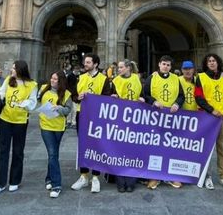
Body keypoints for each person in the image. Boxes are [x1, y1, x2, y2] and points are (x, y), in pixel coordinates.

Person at [0, 60, 37, 195]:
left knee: (18, 151)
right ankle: (0, 183)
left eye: (14, 68)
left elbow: (33, 102)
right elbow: (2, 94)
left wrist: (25, 103)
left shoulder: (32, 85)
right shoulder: (8, 81)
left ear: (21, 70)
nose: (12, 70)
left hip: (21, 121)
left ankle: (15, 181)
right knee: (3, 150)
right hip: (5, 119)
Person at [195, 53, 223, 190]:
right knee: (207, 149)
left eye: (214, 61)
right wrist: (211, 110)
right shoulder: (200, 77)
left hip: (222, 117)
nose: (212, 63)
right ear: (206, 64)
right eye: (209, 61)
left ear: (218, 62)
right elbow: (199, 97)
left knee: (222, 148)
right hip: (207, 116)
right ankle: (207, 176)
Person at [144, 55, 184, 189]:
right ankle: (154, 177)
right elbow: (145, 94)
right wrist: (153, 101)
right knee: (155, 147)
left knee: (170, 147)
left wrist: (177, 104)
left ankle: (171, 176)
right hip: (155, 117)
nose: (166, 67)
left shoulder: (176, 79)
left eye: (168, 65)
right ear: (159, 65)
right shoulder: (152, 78)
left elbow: (181, 96)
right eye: (164, 64)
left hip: (171, 118)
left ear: (171, 67)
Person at [71, 53, 109, 193]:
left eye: (88, 62)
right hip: (82, 115)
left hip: (97, 116)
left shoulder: (104, 79)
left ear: (95, 64)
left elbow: (106, 98)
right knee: (83, 145)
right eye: (85, 62)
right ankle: (83, 176)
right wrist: (78, 97)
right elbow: (74, 95)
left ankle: (96, 177)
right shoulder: (81, 77)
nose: (85, 64)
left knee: (97, 145)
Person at [38, 69, 73, 198]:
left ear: (61, 81)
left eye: (55, 79)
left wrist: (60, 108)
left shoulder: (66, 94)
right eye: (51, 78)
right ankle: (56, 184)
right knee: (52, 153)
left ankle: (49, 178)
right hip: (45, 125)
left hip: (59, 127)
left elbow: (68, 110)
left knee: (53, 154)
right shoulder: (43, 89)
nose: (52, 81)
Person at [111, 59, 143, 192]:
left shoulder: (137, 78)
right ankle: (120, 181)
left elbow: (143, 93)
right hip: (121, 118)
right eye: (118, 68)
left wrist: (143, 98)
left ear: (128, 68)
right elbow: (109, 95)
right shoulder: (115, 81)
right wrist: (112, 96)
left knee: (132, 151)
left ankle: (131, 181)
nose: (118, 70)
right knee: (119, 150)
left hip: (135, 118)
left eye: (121, 67)